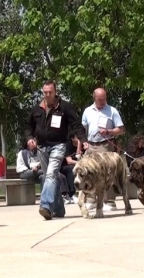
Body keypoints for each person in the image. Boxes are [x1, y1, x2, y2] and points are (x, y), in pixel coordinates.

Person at [25, 80, 88, 220]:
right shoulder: (37, 109)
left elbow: (77, 125)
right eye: (45, 92)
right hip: (41, 147)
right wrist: (29, 138)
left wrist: (83, 140)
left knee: (51, 175)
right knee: (52, 178)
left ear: (55, 92)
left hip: (58, 146)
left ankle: (45, 205)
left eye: (50, 92)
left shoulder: (64, 107)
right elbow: (28, 126)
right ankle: (59, 210)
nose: (47, 95)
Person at [81, 87, 125, 211]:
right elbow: (82, 130)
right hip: (90, 145)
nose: (102, 101)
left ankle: (109, 201)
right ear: (94, 98)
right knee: (89, 172)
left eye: (104, 99)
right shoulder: (87, 111)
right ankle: (91, 199)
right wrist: (82, 145)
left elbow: (121, 130)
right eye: (100, 99)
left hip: (105, 145)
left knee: (108, 172)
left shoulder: (112, 111)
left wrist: (109, 131)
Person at [61, 133, 84, 204]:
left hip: (78, 164)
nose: (80, 139)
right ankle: (71, 194)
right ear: (72, 138)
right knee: (71, 169)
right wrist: (80, 163)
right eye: (78, 137)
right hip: (64, 166)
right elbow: (69, 161)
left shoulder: (83, 146)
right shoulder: (68, 145)